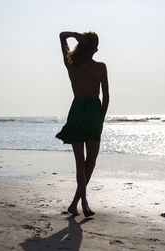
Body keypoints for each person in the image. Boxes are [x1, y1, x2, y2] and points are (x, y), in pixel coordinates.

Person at [56, 31, 109, 217]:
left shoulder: (71, 63)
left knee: (80, 163)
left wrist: (76, 36)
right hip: (93, 112)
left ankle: (77, 203)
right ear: (95, 49)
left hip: (77, 110)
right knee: (90, 163)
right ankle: (82, 202)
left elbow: (62, 36)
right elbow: (106, 98)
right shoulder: (101, 67)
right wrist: (100, 121)